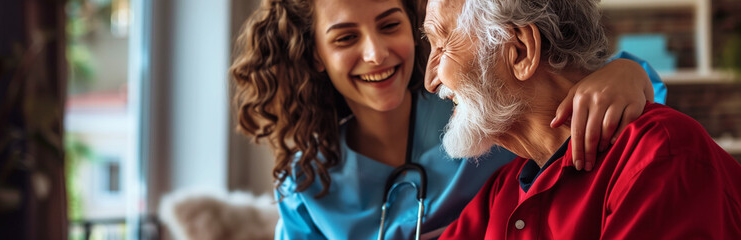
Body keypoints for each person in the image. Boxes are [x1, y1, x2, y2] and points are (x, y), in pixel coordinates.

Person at [230, 0, 665, 239]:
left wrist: (629, 73)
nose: (376, 54)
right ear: (315, 56)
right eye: (345, 38)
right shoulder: (305, 184)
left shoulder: (480, 107)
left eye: (390, 25)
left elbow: (569, 74)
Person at [421, 0, 741, 239]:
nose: (430, 78)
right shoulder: (499, 194)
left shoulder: (660, 155)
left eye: (442, 43)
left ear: (519, 50)